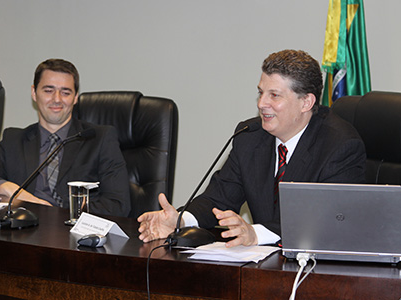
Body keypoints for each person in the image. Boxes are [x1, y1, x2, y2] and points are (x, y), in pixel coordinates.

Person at [138, 49, 366, 247]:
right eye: (260, 92)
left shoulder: (340, 146)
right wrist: (180, 220)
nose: (261, 104)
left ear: (306, 102)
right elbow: (219, 199)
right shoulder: (250, 136)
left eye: (274, 95)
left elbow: (325, 222)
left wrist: (254, 233)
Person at [0, 58, 131, 217]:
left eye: (65, 92)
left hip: (73, 237)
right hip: (23, 234)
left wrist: (57, 211)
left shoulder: (100, 138)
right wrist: (12, 190)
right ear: (34, 93)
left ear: (76, 97)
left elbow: (118, 205)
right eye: (48, 90)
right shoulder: (14, 139)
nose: (57, 100)